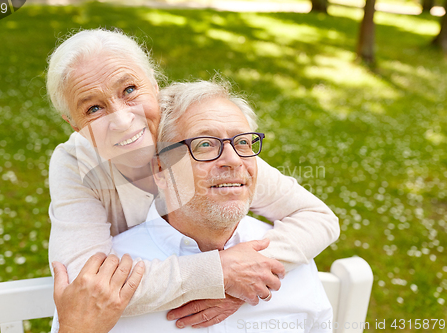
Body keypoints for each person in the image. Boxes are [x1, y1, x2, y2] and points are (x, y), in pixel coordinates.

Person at [46, 28, 339, 331]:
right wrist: (218, 274)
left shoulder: (193, 133)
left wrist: (250, 274)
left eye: (130, 90)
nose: (121, 120)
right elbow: (85, 291)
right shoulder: (74, 163)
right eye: (94, 108)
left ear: (154, 85)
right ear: (73, 123)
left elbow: (318, 218)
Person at [107, 80, 333, 332]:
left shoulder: (291, 253)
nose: (234, 160)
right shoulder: (110, 273)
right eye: (205, 144)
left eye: (243, 143)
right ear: (161, 170)